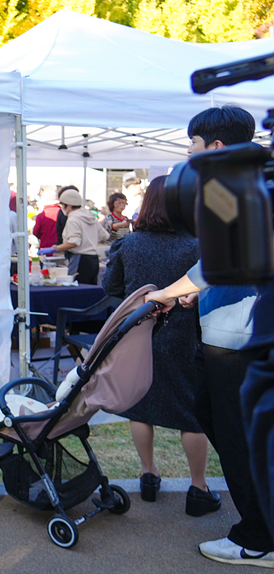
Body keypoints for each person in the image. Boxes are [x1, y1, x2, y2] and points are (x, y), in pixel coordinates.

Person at [144, 105, 274, 566]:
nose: (188, 157)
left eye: (193, 148)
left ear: (215, 149)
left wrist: (168, 292)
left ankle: (257, 538)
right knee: (213, 417)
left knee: (239, 438)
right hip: (232, 334)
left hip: (238, 344)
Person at [102, 177, 218, 512]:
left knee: (141, 406)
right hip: (185, 335)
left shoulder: (131, 243)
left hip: (140, 333)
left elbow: (112, 286)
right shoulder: (197, 245)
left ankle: (148, 476)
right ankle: (198, 489)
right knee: (190, 414)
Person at [39, 189, 107, 284]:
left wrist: (54, 248)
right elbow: (104, 235)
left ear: (68, 205)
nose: (62, 208)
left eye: (63, 205)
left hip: (80, 260)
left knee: (78, 291)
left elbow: (74, 242)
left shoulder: (73, 219)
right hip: (94, 260)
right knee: (90, 292)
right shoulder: (90, 217)